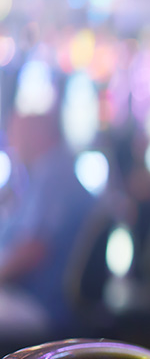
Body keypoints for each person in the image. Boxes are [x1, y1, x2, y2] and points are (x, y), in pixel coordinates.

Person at [0, 111, 95, 344]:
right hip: (44, 300)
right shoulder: (58, 170)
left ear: (39, 133)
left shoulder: (52, 176)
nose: (12, 144)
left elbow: (33, 250)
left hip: (42, 305)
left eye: (16, 134)